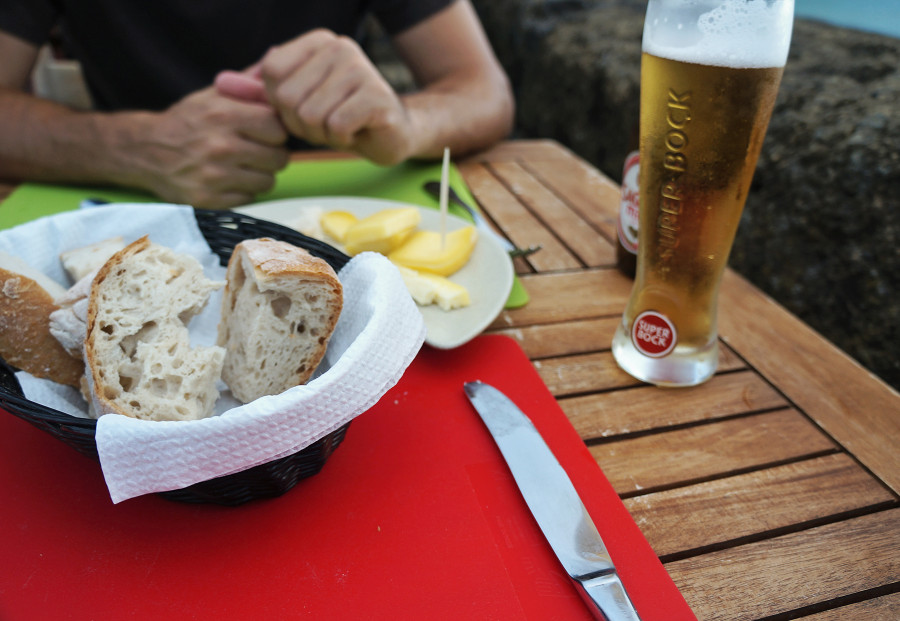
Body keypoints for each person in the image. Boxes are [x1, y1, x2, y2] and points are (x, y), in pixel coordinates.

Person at [0, 0, 514, 208]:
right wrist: (132, 147)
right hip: (137, 204)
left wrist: (404, 123)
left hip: (332, 209)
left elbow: (483, 88)